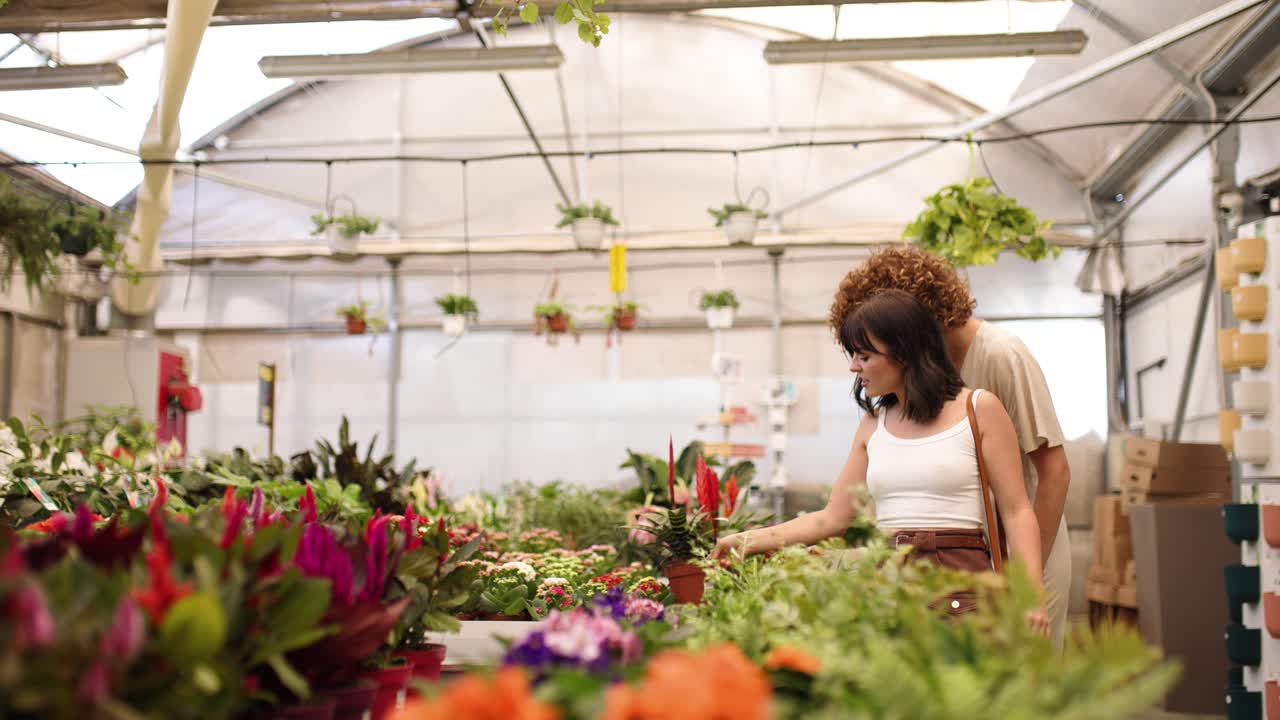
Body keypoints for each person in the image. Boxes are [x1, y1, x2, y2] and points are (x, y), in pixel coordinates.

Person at [712, 289, 1050, 635]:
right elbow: (832, 517)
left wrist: (1032, 597)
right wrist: (748, 541)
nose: (853, 366)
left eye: (864, 354)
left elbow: (1016, 511)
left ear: (903, 353)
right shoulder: (873, 425)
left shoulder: (978, 408)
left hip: (962, 585)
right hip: (887, 582)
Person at [832, 245, 1071, 648]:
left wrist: (1018, 576)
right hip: (963, 559)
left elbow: (1055, 472)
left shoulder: (1000, 354)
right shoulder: (908, 386)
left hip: (1026, 545)